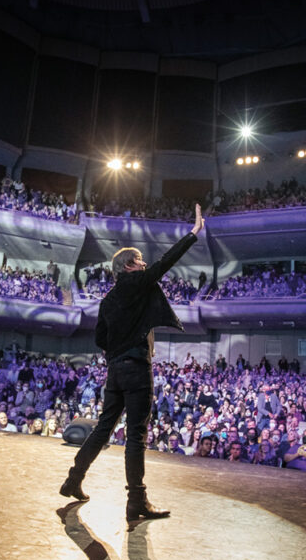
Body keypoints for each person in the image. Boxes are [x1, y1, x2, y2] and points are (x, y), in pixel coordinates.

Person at [60, 204, 204, 521]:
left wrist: (117, 346)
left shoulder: (108, 299)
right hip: (137, 368)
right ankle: (136, 501)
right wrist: (193, 233)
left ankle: (73, 479)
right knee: (136, 435)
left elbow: (100, 338)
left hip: (115, 371)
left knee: (102, 429)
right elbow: (166, 263)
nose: (144, 263)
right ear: (128, 267)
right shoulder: (137, 284)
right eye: (138, 260)